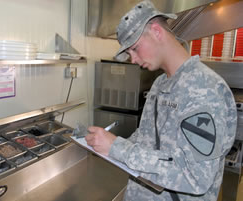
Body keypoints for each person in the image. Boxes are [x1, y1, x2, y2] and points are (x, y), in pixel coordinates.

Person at [85, 0, 237, 200]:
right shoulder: (160, 84)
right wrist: (109, 145)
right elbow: (147, 136)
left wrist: (118, 148)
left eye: (135, 48)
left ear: (156, 31)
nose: (133, 60)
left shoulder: (204, 89)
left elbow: (196, 178)